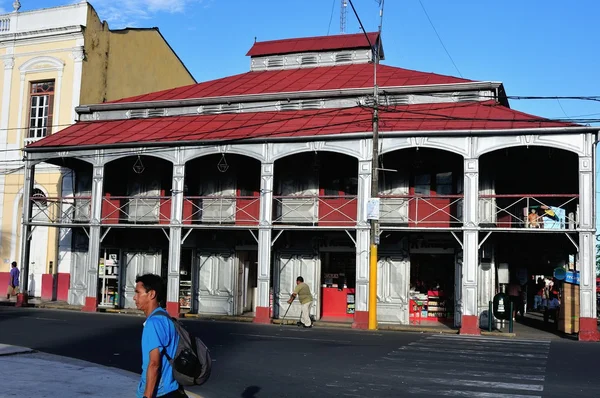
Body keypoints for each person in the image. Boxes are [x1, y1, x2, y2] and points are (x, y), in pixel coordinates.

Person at [133, 274, 188, 398]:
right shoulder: (165, 317)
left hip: (161, 392)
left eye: (138, 293)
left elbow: (154, 364)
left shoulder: (153, 323)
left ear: (151, 294)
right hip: (174, 389)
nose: (134, 297)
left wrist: (147, 396)